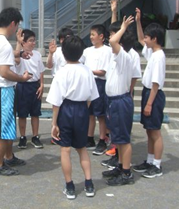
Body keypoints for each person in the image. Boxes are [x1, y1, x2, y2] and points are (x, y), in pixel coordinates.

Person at [47, 35, 97, 199]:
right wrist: (83, 111)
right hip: (82, 109)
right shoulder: (87, 71)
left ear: (64, 53)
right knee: (82, 149)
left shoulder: (61, 72)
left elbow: (56, 102)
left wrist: (54, 123)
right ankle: (89, 184)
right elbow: (90, 97)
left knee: (65, 149)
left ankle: (70, 186)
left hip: (66, 109)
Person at [0, 7, 32, 176]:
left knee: (7, 126)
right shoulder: (4, 44)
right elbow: (5, 72)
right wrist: (22, 78)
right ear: (12, 23)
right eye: (17, 25)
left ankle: (9, 156)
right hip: (2, 90)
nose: (16, 29)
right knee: (3, 130)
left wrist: (19, 53)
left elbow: (4, 55)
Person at [102, 6, 142, 186]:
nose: (110, 38)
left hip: (120, 101)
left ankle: (126, 173)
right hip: (113, 100)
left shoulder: (124, 56)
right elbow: (113, 41)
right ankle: (120, 166)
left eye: (114, 35)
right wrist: (115, 16)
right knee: (117, 137)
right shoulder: (116, 56)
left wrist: (124, 28)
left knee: (123, 139)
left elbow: (113, 41)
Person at [133, 7, 167, 177]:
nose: (144, 40)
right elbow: (140, 38)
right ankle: (150, 160)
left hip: (153, 95)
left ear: (154, 39)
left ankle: (157, 165)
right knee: (149, 130)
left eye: (147, 37)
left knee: (155, 131)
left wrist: (149, 104)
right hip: (148, 93)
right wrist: (138, 21)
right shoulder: (152, 53)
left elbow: (155, 84)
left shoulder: (159, 57)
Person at [15, 28, 45, 150]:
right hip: (22, 85)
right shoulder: (19, 54)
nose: (33, 43)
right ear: (24, 42)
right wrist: (18, 42)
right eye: (31, 40)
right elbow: (16, 60)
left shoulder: (37, 54)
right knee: (22, 114)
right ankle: (22, 137)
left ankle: (35, 136)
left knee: (35, 113)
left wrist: (41, 84)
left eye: (34, 40)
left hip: (35, 86)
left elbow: (41, 70)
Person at [85, 24, 112, 155]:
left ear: (101, 36)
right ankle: (89, 138)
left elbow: (103, 71)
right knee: (90, 113)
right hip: (89, 83)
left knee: (100, 114)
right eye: (90, 34)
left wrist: (88, 71)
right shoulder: (87, 51)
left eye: (93, 34)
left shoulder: (107, 51)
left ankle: (102, 140)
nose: (91, 37)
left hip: (100, 84)